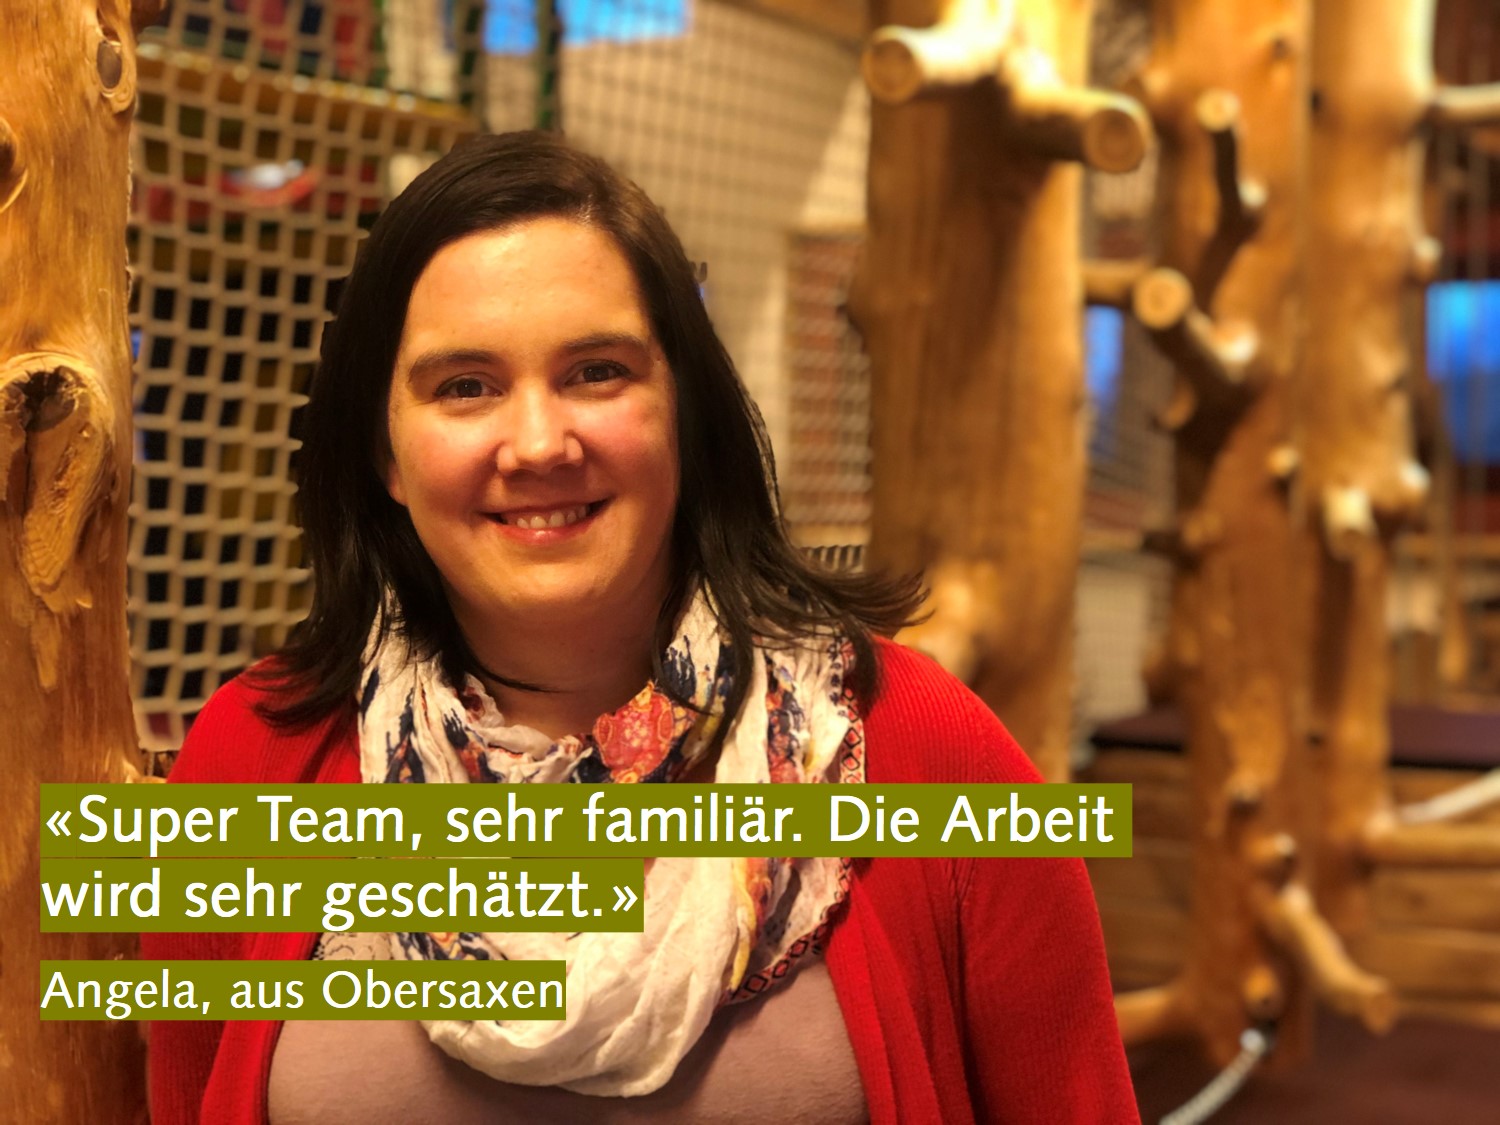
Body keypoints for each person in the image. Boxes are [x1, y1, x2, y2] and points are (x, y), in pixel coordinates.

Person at [143, 131, 1137, 1124]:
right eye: (465, 387)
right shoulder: (251, 759)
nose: (539, 443)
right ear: (387, 455)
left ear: (683, 411)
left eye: (596, 372)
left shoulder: (927, 753)